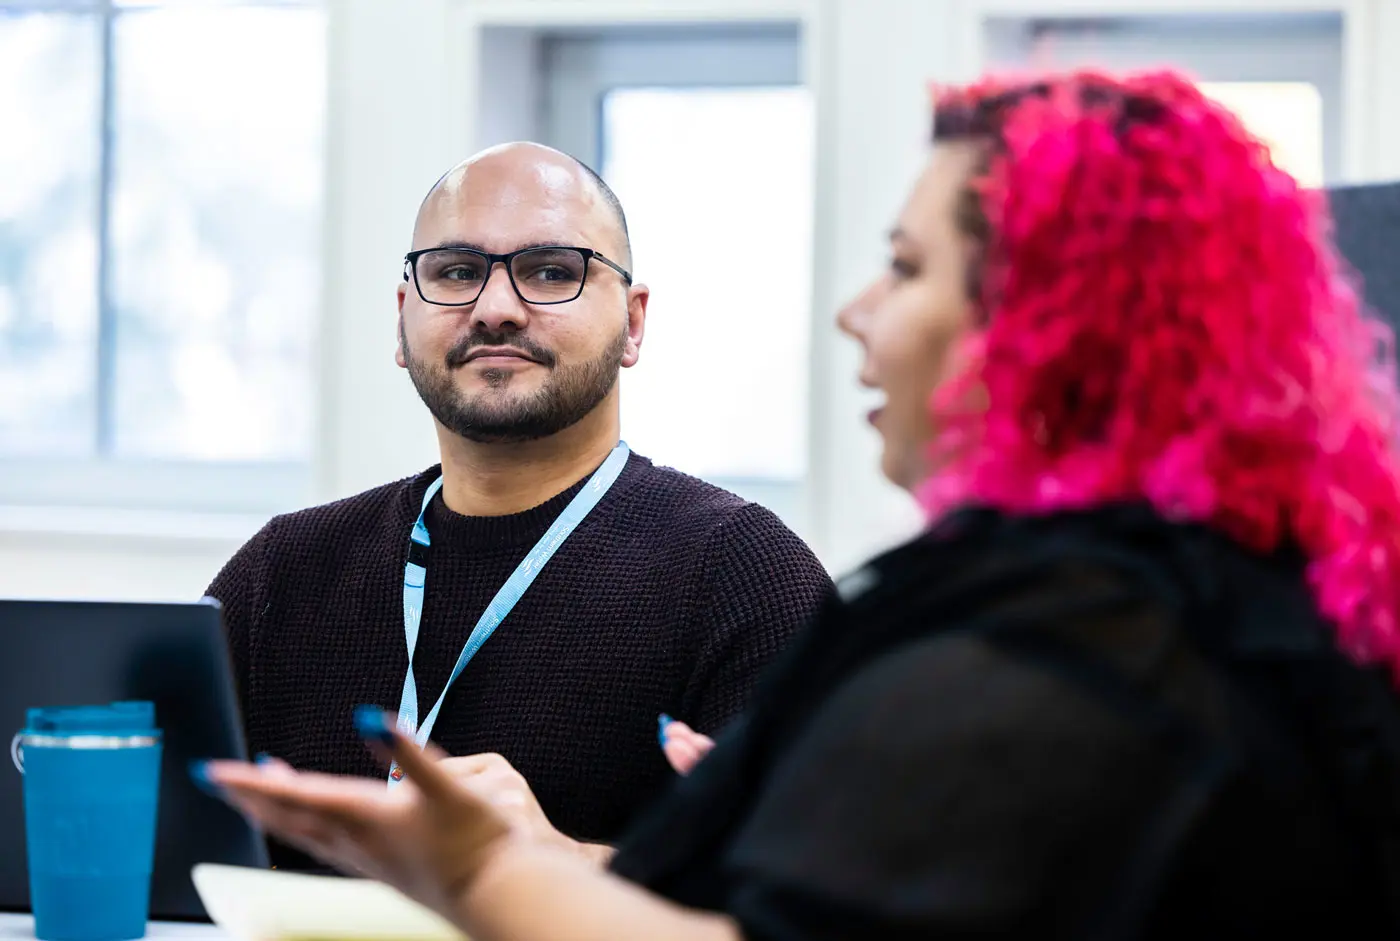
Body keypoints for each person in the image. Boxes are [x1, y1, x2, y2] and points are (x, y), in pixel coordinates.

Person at [199, 71, 1400, 936]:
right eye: (456, 271)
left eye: (909, 266)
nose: (856, 310)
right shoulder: (1175, 607)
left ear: (1048, 322)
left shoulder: (1072, 655)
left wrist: (482, 869)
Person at [205, 142, 832, 869]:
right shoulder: (284, 570)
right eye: (458, 272)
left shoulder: (744, 574)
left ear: (633, 323)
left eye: (551, 272)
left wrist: (555, 864)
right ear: (403, 321)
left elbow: (819, 899)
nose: (496, 309)